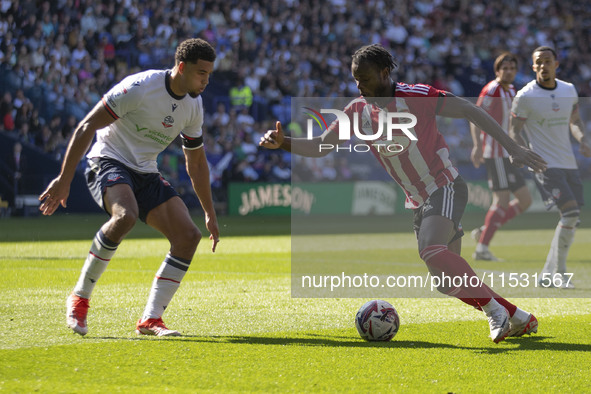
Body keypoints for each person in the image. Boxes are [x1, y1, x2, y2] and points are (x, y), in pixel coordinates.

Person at [260, 44, 546, 343]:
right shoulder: (358, 110)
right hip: (418, 200)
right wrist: (284, 142)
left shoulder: (416, 96)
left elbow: (469, 109)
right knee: (446, 281)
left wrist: (513, 147)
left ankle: (493, 311)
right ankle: (519, 317)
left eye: (366, 78)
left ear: (385, 73)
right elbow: (322, 145)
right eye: (356, 79)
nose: (360, 86)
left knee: (430, 249)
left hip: (444, 184)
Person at [38, 38, 220, 337]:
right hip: (108, 160)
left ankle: (150, 320)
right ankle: (80, 298)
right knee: (125, 216)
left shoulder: (193, 106)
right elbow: (87, 127)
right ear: (182, 67)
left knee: (188, 236)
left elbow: (197, 163)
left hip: (145, 170)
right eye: (201, 73)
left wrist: (209, 212)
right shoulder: (140, 87)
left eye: (209, 74)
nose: (206, 80)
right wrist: (64, 178)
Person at [510, 46, 591, 289]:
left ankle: (547, 273)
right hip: (544, 164)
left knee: (571, 219)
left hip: (568, 162)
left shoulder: (569, 90)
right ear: (533, 67)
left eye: (548, 61)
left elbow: (574, 120)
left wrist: (583, 140)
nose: (544, 65)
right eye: (539, 62)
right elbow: (514, 130)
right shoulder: (525, 96)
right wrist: (521, 151)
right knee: (570, 213)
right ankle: (561, 274)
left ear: (556, 63)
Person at [469, 52, 532, 261]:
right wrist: (477, 145)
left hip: (510, 154)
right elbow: (475, 116)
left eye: (512, 68)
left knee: (525, 200)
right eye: (504, 68)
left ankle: (484, 231)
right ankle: (481, 250)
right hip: (495, 153)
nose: (509, 71)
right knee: (502, 200)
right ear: (497, 71)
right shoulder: (492, 90)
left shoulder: (512, 90)